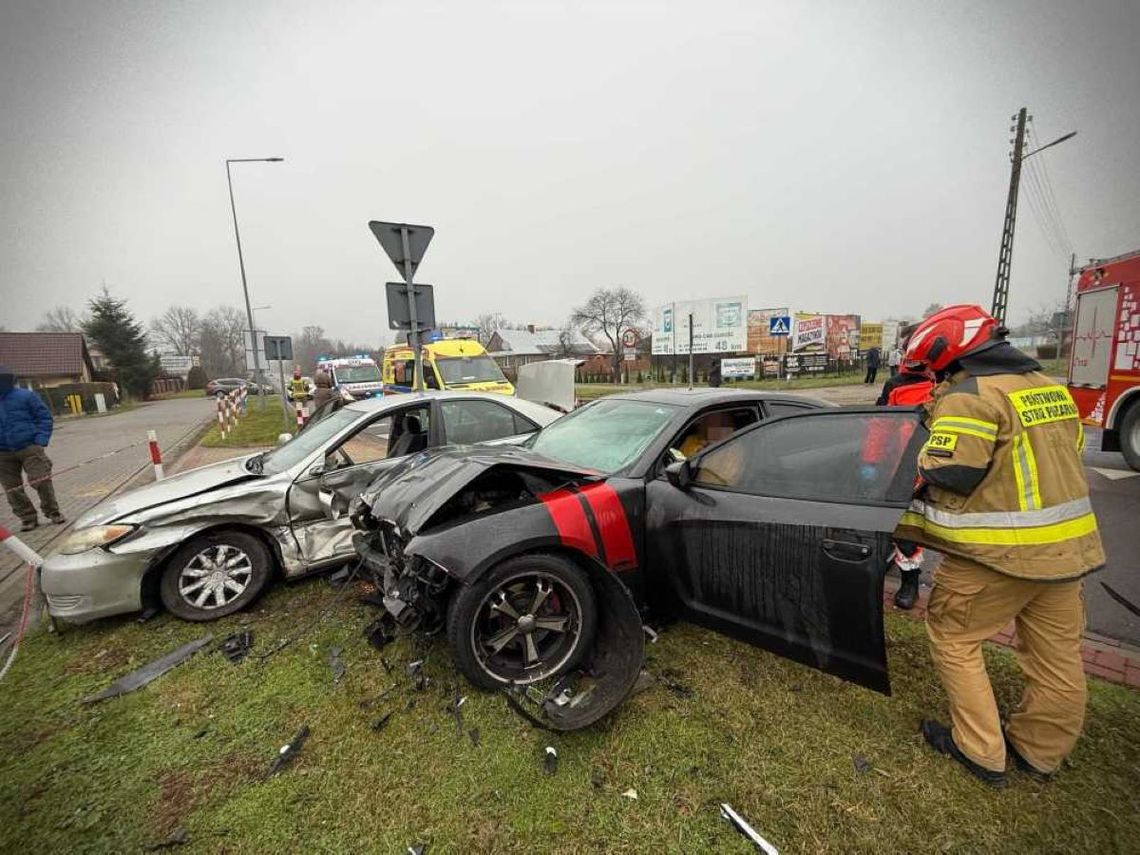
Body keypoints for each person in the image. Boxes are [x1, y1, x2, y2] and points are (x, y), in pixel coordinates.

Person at [896, 305, 1104, 787]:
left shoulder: (971, 396)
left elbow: (952, 472)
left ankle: (980, 750)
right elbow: (1065, 456)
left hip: (998, 555)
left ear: (952, 352)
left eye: (936, 368)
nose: (938, 376)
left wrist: (921, 457)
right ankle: (1039, 752)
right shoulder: (1051, 391)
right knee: (1056, 657)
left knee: (953, 636)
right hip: (1066, 552)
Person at [873, 334, 935, 610]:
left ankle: (910, 579)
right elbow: (880, 424)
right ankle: (903, 572)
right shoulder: (897, 386)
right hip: (901, 463)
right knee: (900, 525)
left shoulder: (951, 386)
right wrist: (871, 460)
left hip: (934, 465)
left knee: (914, 527)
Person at [0, 367, 65, 532]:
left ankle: (53, 512)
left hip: (29, 447)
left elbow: (44, 417)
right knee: (12, 489)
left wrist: (40, 440)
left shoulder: (26, 396)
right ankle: (28, 518)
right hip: (3, 453)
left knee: (41, 480)